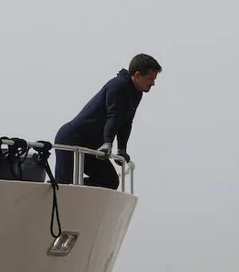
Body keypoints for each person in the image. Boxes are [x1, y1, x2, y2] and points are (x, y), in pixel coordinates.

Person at [55, 54, 161, 188]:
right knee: (63, 187)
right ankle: (54, 187)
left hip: (92, 145)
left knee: (109, 181)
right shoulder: (119, 85)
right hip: (72, 139)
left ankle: (71, 192)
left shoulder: (137, 93)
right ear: (138, 75)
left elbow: (126, 122)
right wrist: (108, 143)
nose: (153, 83)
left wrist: (122, 149)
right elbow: (114, 115)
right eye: (150, 79)